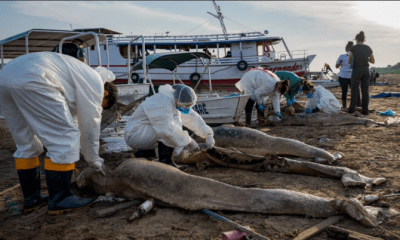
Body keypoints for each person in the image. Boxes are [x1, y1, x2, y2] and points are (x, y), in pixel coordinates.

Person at [0, 52, 117, 215]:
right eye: (102, 105)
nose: (100, 107)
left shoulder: (79, 76)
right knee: (66, 138)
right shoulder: (95, 82)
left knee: (26, 142)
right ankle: (60, 198)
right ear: (105, 94)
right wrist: (94, 160)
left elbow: (75, 120)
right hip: (35, 76)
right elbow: (90, 126)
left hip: (5, 77)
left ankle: (31, 199)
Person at [124, 84, 215, 172]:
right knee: (174, 128)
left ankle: (143, 154)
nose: (185, 108)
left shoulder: (174, 100)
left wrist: (208, 134)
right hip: (135, 135)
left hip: (145, 132)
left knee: (177, 136)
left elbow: (192, 118)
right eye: (185, 105)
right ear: (177, 99)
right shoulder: (162, 103)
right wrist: (189, 140)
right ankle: (166, 162)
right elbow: (167, 130)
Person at [348, 31, 375, 115]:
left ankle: (351, 109)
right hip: (366, 70)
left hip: (357, 70)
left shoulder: (353, 48)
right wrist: (366, 59)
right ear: (364, 39)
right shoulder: (368, 48)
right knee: (365, 91)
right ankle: (365, 110)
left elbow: (349, 61)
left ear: (356, 39)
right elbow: (373, 61)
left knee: (354, 90)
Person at [335, 41, 360, 109]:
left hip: (353, 76)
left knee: (355, 91)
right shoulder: (342, 56)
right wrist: (340, 63)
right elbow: (336, 66)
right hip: (343, 76)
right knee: (344, 91)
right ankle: (344, 106)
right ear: (347, 49)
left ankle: (357, 106)